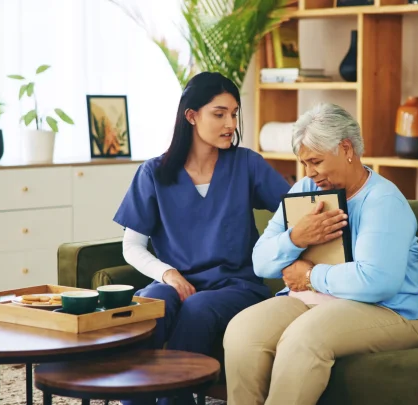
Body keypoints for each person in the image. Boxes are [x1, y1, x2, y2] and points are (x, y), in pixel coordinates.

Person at [223, 103, 418, 405]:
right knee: (243, 331)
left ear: (346, 148)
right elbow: (261, 262)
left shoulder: (383, 201)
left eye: (315, 161)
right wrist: (296, 238)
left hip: (392, 311)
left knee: (302, 339)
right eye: (304, 163)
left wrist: (309, 276)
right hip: (315, 302)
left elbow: (375, 281)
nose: (309, 173)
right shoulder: (306, 189)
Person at [113, 72, 292, 405]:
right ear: (191, 116)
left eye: (235, 113)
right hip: (176, 282)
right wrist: (168, 273)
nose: (230, 123)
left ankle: (173, 401)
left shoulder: (246, 165)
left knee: (197, 307)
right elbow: (132, 246)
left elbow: (293, 209)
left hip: (235, 287)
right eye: (219, 113)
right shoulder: (154, 173)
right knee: (152, 304)